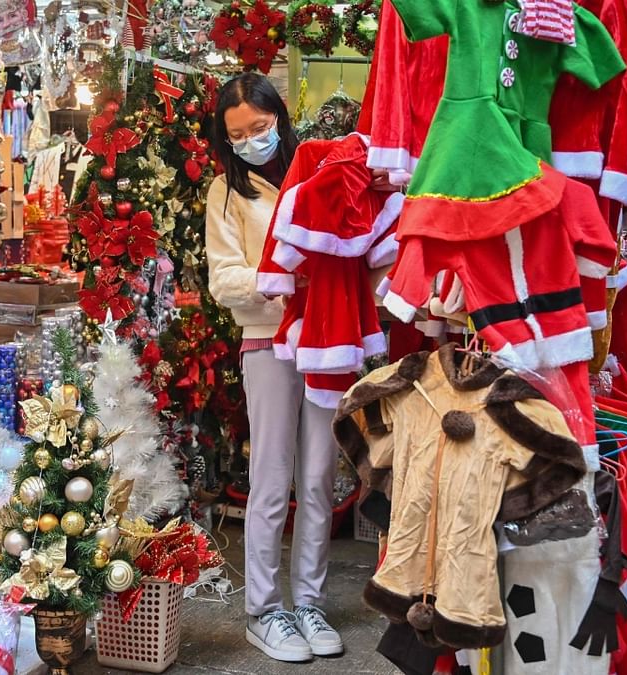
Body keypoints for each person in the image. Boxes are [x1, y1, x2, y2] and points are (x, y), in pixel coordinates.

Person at [205, 72, 343, 662]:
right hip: (267, 341)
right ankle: (264, 609)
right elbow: (223, 278)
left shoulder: (313, 173)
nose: (251, 140)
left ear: (279, 118)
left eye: (259, 128)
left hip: (327, 340)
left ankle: (309, 601)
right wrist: (282, 282)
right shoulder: (226, 191)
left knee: (317, 477)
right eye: (238, 133)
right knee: (270, 477)